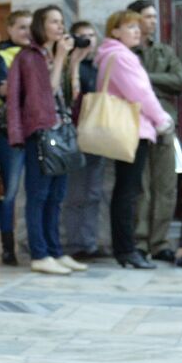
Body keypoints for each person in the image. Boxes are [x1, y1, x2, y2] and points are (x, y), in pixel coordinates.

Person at [7, 4, 86, 276]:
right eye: (54, 21)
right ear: (41, 25)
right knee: (39, 195)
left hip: (60, 131)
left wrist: (72, 62)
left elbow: (67, 96)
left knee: (56, 196)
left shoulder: (53, 55)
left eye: (61, 21)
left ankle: (55, 250)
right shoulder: (29, 57)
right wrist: (63, 56)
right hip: (39, 132)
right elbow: (44, 95)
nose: (60, 26)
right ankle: (39, 254)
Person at [94, 11, 175, 269]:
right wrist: (162, 119)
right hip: (131, 130)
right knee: (128, 192)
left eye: (138, 27)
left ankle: (126, 249)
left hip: (130, 130)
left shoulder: (113, 55)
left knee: (126, 190)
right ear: (115, 31)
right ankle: (127, 250)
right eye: (130, 26)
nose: (137, 31)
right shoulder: (120, 57)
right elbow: (139, 93)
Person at [128, 0, 182, 262]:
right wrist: (155, 84)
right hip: (134, 124)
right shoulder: (127, 51)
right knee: (141, 186)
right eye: (148, 16)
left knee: (166, 185)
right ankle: (140, 242)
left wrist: (146, 79)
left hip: (164, 123)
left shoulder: (164, 52)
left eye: (155, 17)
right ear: (133, 18)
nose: (153, 22)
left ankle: (160, 243)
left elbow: (180, 80)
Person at [61, 20, 106, 260]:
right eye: (82, 36)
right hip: (74, 135)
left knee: (94, 193)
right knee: (75, 194)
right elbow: (71, 94)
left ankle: (90, 242)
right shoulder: (67, 66)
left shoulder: (102, 66)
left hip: (99, 135)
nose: (88, 40)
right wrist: (74, 59)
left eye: (91, 36)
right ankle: (74, 244)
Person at [0, 10, 32, 265]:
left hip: (36, 132)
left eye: (30, 27)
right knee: (10, 192)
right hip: (10, 133)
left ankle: (32, 242)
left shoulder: (39, 54)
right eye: (21, 27)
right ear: (10, 30)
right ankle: (8, 248)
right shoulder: (2, 56)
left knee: (35, 191)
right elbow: (5, 91)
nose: (26, 32)